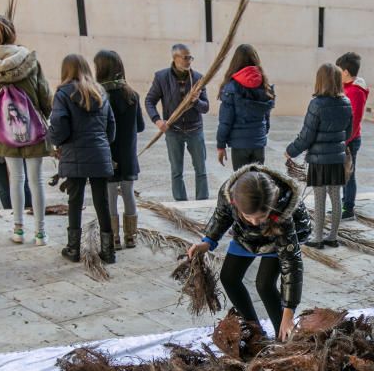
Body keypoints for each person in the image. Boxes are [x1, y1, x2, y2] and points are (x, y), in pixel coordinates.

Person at [186, 165, 311, 340]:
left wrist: (289, 314)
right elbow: (222, 216)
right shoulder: (229, 194)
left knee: (264, 284)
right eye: (248, 216)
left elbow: (291, 265)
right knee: (229, 277)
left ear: (272, 206)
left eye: (260, 217)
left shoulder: (283, 212)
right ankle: (254, 331)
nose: (254, 221)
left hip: (277, 234)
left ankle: (283, 336)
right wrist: (208, 241)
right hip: (246, 235)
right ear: (236, 204)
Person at [0, 14, 51, 245]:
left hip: (4, 130)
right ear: (13, 33)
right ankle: (40, 233)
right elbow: (45, 95)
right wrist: (47, 115)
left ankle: (18, 230)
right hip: (33, 128)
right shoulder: (28, 59)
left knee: (15, 178)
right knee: (36, 181)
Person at [48, 54, 117, 264]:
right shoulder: (101, 92)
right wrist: (102, 144)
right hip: (99, 152)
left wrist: (54, 140)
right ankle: (108, 251)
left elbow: (59, 126)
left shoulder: (62, 94)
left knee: (75, 201)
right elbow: (111, 127)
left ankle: (73, 249)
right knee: (102, 201)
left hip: (74, 154)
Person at [285, 63, 353, 250]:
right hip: (337, 160)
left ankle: (317, 238)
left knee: (320, 198)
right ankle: (332, 237)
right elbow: (349, 132)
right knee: (336, 197)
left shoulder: (317, 104)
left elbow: (306, 136)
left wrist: (290, 150)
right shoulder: (346, 103)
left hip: (319, 161)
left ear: (320, 80)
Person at [145, 43, 210, 201]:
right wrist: (157, 120)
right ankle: (181, 202)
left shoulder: (198, 78)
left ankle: (201, 201)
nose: (189, 61)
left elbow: (205, 107)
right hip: (173, 131)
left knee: (201, 169)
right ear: (175, 58)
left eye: (190, 57)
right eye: (185, 57)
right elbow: (149, 101)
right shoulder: (161, 77)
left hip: (195, 130)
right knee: (176, 170)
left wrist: (195, 101)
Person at [95, 49, 144, 249]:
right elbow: (140, 126)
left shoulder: (99, 96)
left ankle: (114, 238)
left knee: (110, 195)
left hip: (107, 154)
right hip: (128, 155)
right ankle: (131, 237)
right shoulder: (132, 95)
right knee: (128, 193)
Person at [216, 43, 275, 170]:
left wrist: (221, 146)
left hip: (239, 144)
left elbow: (225, 121)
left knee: (241, 184)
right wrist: (262, 133)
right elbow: (266, 116)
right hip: (258, 142)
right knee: (257, 184)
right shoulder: (265, 85)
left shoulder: (231, 87)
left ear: (235, 62)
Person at [336, 52, 369, 222]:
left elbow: (354, 120)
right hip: (345, 138)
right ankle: (343, 204)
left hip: (350, 140)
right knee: (344, 175)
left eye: (339, 71)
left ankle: (348, 209)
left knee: (349, 175)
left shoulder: (356, 92)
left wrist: (345, 141)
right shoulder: (347, 87)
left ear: (346, 72)